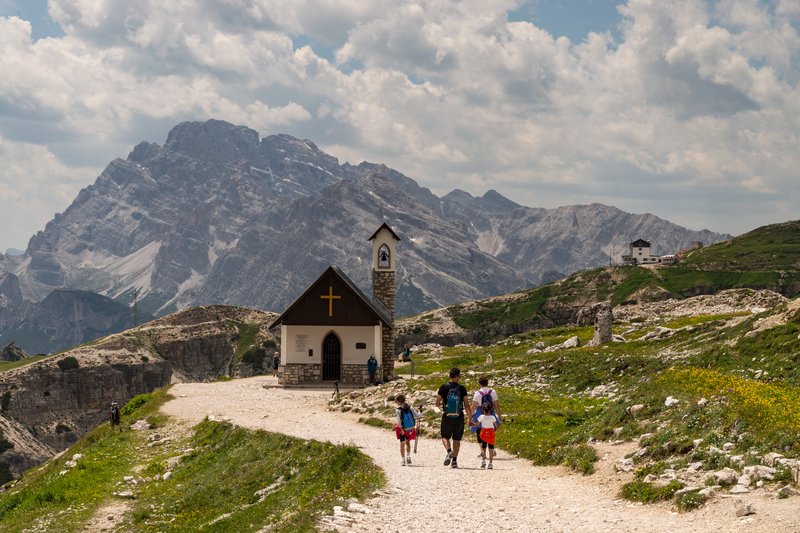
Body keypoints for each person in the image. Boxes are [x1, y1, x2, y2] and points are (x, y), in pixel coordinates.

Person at [435, 367, 471, 469]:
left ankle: (449, 451)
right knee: (457, 439)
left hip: (447, 416)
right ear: (458, 376)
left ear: (450, 376)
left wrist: (443, 404)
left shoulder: (443, 387)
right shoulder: (462, 388)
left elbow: (437, 403)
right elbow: (466, 405)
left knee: (445, 436)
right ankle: (454, 461)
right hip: (459, 417)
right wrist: (470, 417)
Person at [470, 376, 501, 450]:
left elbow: (473, 407)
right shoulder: (492, 392)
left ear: (479, 384)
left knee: (479, 431)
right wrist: (499, 416)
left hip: (480, 413)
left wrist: (470, 417)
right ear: (487, 383)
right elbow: (496, 405)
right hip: (490, 412)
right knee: (490, 430)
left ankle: (482, 451)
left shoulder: (478, 393)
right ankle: (491, 448)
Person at [394, 394, 420, 466]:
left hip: (403, 429)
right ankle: (408, 457)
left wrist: (401, 429)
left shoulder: (398, 410)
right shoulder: (410, 407)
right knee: (407, 442)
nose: (396, 402)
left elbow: (399, 421)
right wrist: (421, 412)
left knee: (402, 444)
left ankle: (403, 460)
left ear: (398, 401)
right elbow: (417, 416)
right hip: (410, 428)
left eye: (396, 401)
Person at [471, 403, 498, 469]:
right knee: (491, 449)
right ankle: (490, 464)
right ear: (490, 410)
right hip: (491, 433)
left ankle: (483, 461)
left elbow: (477, 425)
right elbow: (496, 426)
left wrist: (471, 424)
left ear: (483, 410)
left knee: (483, 448)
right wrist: (498, 429)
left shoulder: (481, 417)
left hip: (484, 433)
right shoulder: (492, 417)